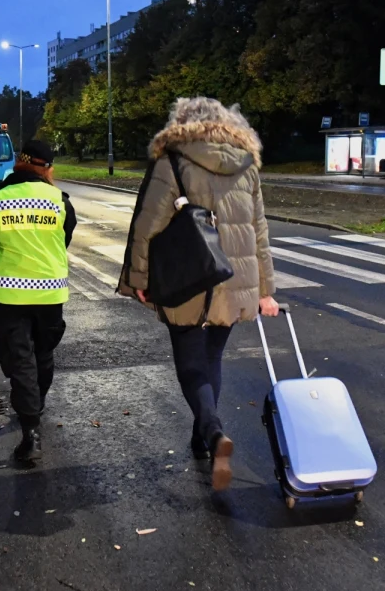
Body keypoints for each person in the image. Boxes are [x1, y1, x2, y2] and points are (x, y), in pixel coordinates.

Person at [118, 97, 278, 492]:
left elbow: (148, 226)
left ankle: (212, 432)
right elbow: (260, 233)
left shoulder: (172, 161)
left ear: (182, 123)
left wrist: (139, 278)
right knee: (212, 358)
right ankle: (202, 437)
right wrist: (265, 291)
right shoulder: (246, 164)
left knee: (191, 362)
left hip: (188, 278)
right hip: (234, 279)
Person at [0, 140, 77, 463]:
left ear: (18, 164)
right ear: (47, 169)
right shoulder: (60, 200)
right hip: (50, 293)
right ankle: (35, 406)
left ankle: (30, 431)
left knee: (20, 359)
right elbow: (64, 237)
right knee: (43, 353)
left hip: (9, 294)